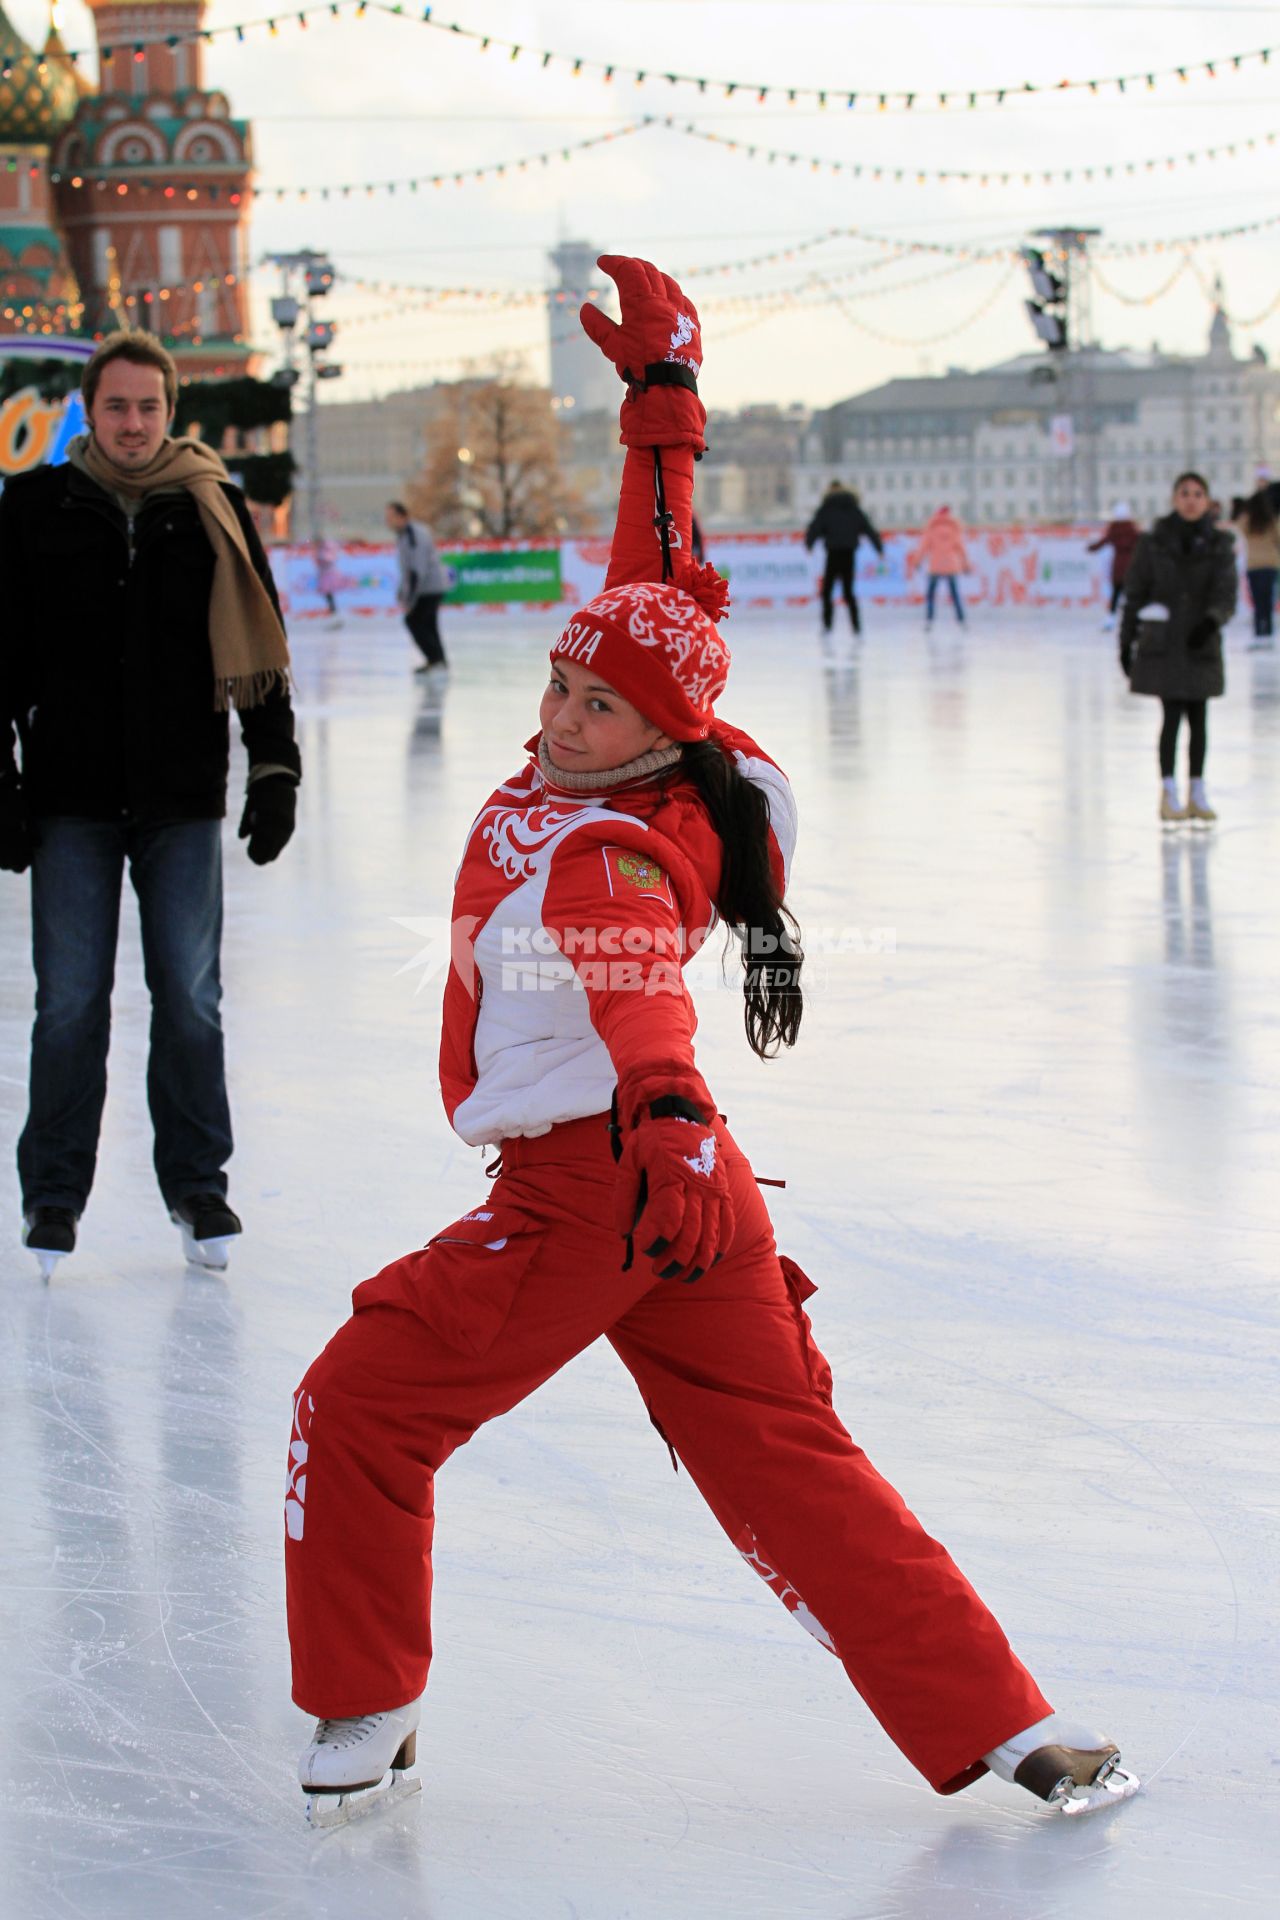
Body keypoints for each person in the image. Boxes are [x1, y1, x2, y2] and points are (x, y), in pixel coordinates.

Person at [284, 255, 1137, 1831]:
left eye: (588, 709)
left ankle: (360, 1706)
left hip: (596, 1187)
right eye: (553, 684)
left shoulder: (611, 849)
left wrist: (670, 1108)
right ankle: (1014, 1725)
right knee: (783, 1454)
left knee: (355, 1408)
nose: (553, 717)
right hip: (687, 1194)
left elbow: (636, 990)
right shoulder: (691, 744)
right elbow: (656, 584)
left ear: (655, 737)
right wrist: (662, 396)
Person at [0, 330, 301, 1278]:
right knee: (72, 1004)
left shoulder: (209, 505)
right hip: (72, 796)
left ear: (171, 412)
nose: (133, 424)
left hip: (180, 794)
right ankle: (53, 1195)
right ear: (91, 411)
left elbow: (262, 644)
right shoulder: (36, 504)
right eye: (118, 406)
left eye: (150, 408)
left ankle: (198, 1186)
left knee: (192, 1001)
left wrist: (275, 767)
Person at [1120, 471, 1237, 826]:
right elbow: (1136, 591)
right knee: (1171, 716)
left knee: (1199, 718)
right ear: (1174, 498)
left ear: (1207, 501)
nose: (1191, 500)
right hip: (1165, 643)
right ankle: (1169, 790)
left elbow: (1226, 592)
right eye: (1184, 493)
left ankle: (1197, 790)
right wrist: (1127, 639)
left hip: (1200, 642)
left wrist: (1212, 621)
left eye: (1198, 494)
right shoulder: (1154, 542)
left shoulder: (1219, 544)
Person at [804, 480, 883, 636]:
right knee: (849, 592)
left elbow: (814, 528)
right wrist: (879, 548)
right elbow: (868, 528)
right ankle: (856, 627)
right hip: (849, 553)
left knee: (827, 592)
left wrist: (809, 544)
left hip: (833, 553)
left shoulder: (826, 508)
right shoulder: (853, 508)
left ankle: (827, 626)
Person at [386, 501, 448, 672]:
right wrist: (402, 590)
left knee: (414, 621)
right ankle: (438, 661)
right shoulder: (404, 535)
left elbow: (416, 570)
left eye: (390, 517)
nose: (388, 521)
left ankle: (435, 660)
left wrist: (408, 598)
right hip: (427, 586)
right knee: (428, 624)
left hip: (429, 587)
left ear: (401, 516)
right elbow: (408, 570)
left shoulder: (414, 534)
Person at [1231, 490, 1280, 649]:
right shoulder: (1271, 520)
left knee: (1258, 601)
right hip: (1271, 563)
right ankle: (1268, 632)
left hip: (1253, 564)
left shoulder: (1248, 521)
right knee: (1268, 600)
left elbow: (1237, 525)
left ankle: (1259, 632)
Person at [912, 506, 970, 629]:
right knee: (955, 595)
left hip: (935, 566)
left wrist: (917, 562)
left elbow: (923, 547)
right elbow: (961, 549)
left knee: (931, 595)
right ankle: (961, 621)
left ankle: (929, 620)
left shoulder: (932, 528)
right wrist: (965, 565)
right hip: (951, 566)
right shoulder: (954, 529)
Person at [1087, 501, 1140, 630]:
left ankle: (1110, 619)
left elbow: (1103, 542)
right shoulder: (1133, 530)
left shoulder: (1114, 530)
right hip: (1131, 568)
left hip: (1118, 568)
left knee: (1116, 595)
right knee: (1132, 596)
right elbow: (1144, 542)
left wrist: (1091, 547)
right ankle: (1134, 620)